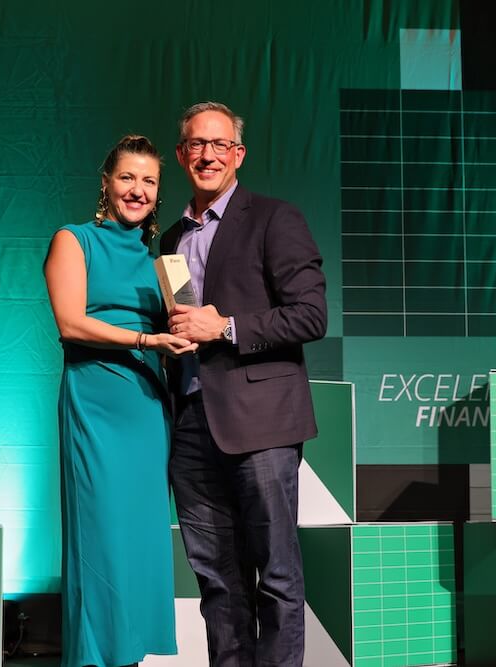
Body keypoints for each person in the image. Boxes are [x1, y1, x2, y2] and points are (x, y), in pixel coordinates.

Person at [160, 102, 327, 666]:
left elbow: (311, 315)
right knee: (218, 583)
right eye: (196, 145)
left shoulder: (274, 218)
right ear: (182, 155)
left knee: (275, 575)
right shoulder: (170, 237)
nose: (208, 155)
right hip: (189, 424)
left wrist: (225, 326)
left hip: (261, 424)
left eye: (220, 144)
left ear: (238, 154)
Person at [45, 135, 195, 667]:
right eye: (127, 177)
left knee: (140, 542)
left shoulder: (165, 262)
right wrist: (147, 341)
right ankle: (92, 657)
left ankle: (129, 656)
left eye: (149, 181)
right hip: (97, 402)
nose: (138, 189)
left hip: (147, 409)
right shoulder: (74, 239)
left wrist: (185, 334)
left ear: (158, 195)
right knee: (100, 537)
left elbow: (183, 331)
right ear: (106, 183)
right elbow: (70, 322)